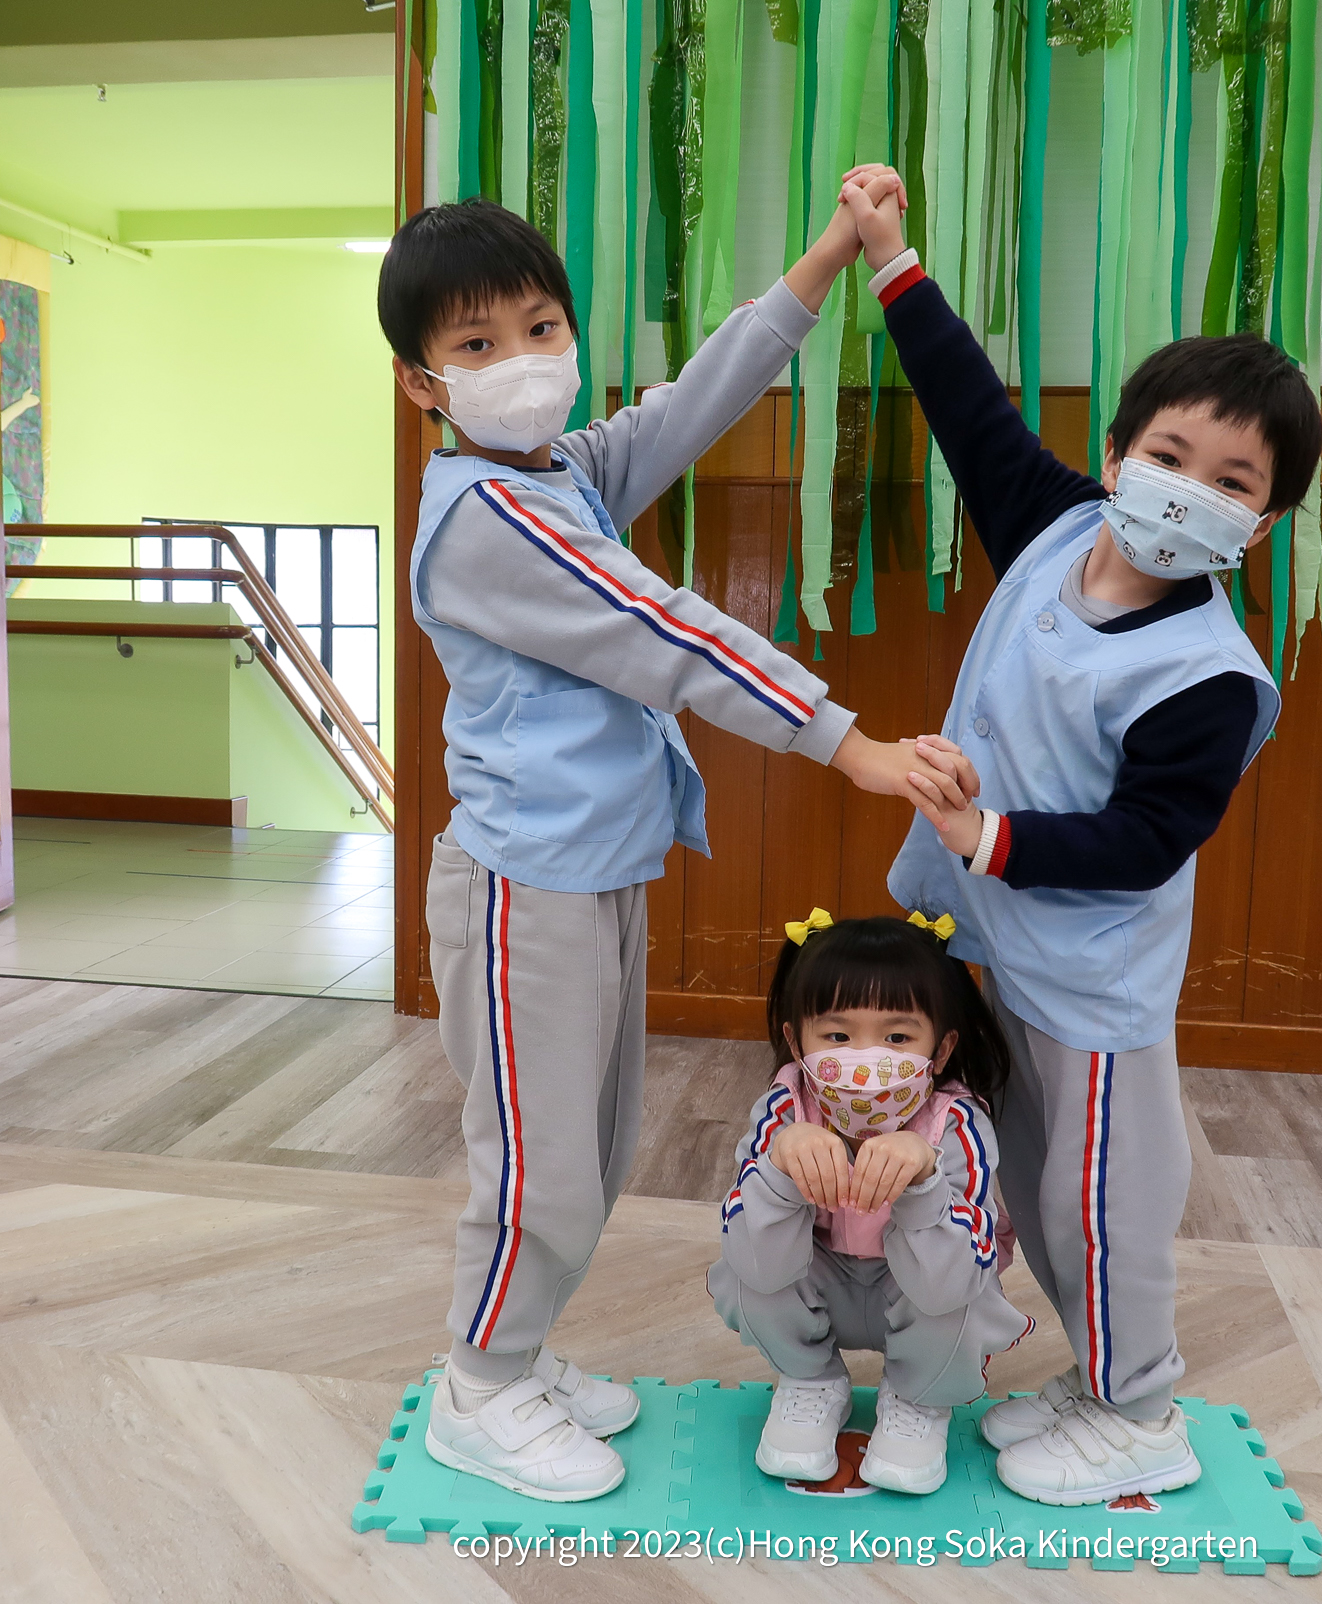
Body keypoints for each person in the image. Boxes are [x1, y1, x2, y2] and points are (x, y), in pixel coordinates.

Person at [379, 190, 973, 1503]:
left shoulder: (553, 475)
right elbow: (666, 630)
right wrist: (848, 743)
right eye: (477, 345)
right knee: (538, 1163)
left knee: (590, 1151)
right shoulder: (486, 517)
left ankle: (520, 1350)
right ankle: (480, 1385)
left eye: (540, 326)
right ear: (424, 382)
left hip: (594, 870)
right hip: (523, 888)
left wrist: (826, 256)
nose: (521, 359)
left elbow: (686, 407)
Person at [836, 168, 1322, 1507]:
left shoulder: (1208, 674)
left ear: (1262, 522)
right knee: (1030, 1179)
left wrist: (985, 832)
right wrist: (891, 257)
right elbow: (967, 407)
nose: (1185, 490)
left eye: (1230, 481)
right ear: (1116, 457)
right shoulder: (1054, 525)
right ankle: (1096, 1376)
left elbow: (1146, 838)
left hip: (1091, 983)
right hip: (990, 943)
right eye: (1167, 457)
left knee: (1101, 1202)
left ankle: (1142, 1408)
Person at [708, 911, 1033, 1496]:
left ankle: (918, 1399)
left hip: (919, 1292)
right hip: (818, 1279)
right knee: (742, 1271)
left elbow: (952, 1282)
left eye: (897, 1038)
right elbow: (755, 1262)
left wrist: (925, 1182)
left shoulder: (956, 1123)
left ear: (941, 1049)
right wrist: (779, 1169)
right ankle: (810, 1382)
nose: (867, 1060)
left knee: (962, 1298)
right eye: (837, 1037)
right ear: (796, 1042)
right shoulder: (785, 1108)